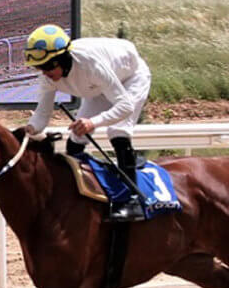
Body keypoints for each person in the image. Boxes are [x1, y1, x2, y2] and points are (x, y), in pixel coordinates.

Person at [22, 24, 152, 222]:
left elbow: (125, 106)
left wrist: (93, 122)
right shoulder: (48, 76)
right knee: (75, 140)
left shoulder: (90, 65)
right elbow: (42, 114)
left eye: (48, 67)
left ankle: (131, 201)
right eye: (40, 67)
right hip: (98, 88)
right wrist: (28, 129)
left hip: (130, 78)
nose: (44, 73)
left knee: (117, 131)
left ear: (62, 59)